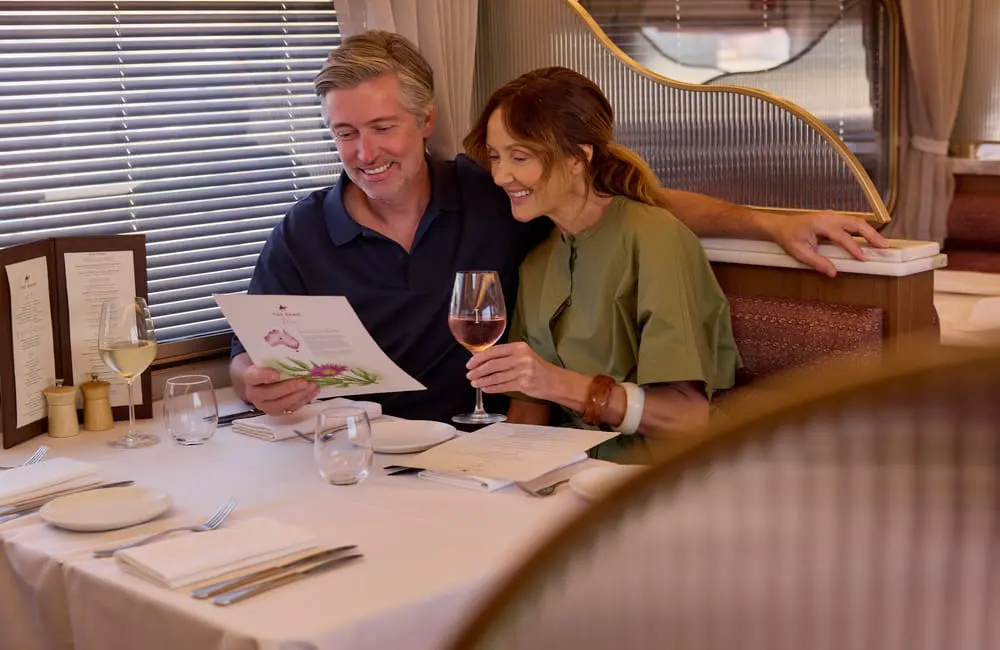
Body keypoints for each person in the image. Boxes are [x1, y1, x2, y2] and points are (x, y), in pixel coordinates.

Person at [230, 30, 888, 421]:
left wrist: (769, 224)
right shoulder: (305, 230)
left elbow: (631, 202)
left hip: (470, 445)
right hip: (367, 447)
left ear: (423, 121)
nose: (365, 153)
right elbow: (252, 351)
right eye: (345, 133)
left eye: (381, 128)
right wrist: (249, 379)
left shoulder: (495, 198)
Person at [463, 67, 740, 459]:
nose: (500, 175)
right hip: (567, 477)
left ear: (578, 156)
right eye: (495, 157)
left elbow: (686, 418)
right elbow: (528, 412)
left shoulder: (655, 238)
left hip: (657, 477)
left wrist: (559, 384)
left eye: (519, 156)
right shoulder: (537, 262)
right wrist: (479, 472)